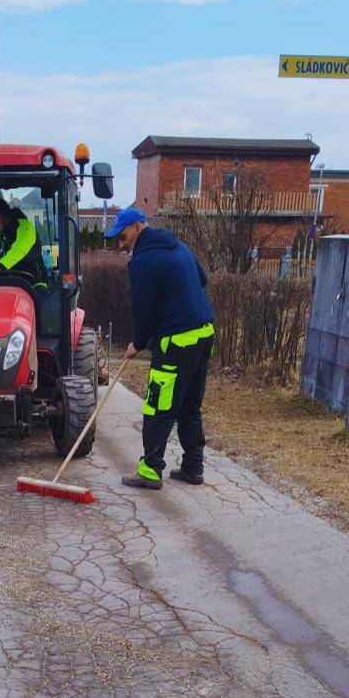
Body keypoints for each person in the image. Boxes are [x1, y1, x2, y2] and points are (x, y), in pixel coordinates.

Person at [105, 208, 215, 490]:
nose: (121, 243)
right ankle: (193, 467)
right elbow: (202, 279)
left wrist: (138, 343)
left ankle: (151, 471)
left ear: (139, 227)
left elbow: (143, 311)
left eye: (123, 235)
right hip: (204, 333)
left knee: (158, 406)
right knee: (190, 405)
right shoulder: (178, 245)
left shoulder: (143, 262)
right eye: (117, 238)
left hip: (177, 341)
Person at [0, 195, 48, 291]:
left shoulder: (25, 227)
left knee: (41, 293)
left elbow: (20, 249)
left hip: (34, 283)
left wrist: (0, 267)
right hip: (9, 284)